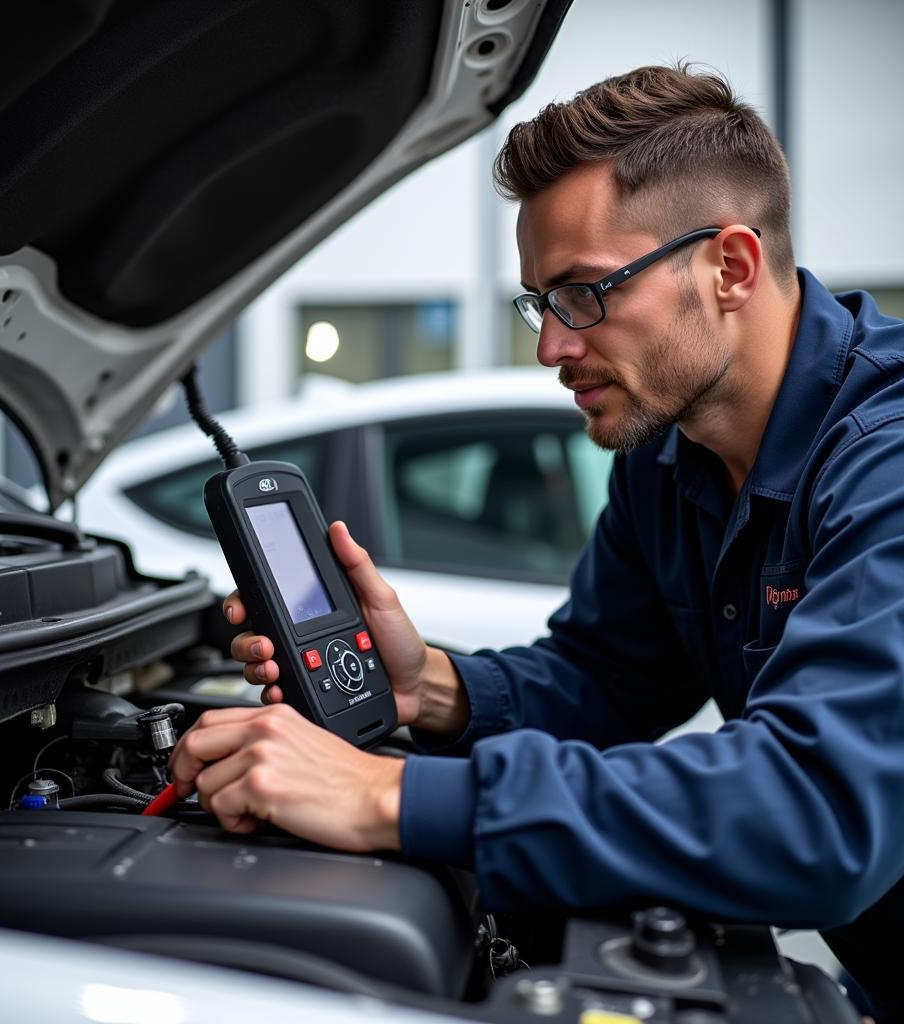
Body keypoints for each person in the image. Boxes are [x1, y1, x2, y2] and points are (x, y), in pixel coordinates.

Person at [169, 64, 903, 1021]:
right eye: (539, 303)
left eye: (585, 294)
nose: (552, 346)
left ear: (730, 266)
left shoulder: (885, 467)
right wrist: (429, 687)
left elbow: (819, 810)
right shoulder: (666, 457)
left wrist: (386, 798)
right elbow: (608, 679)